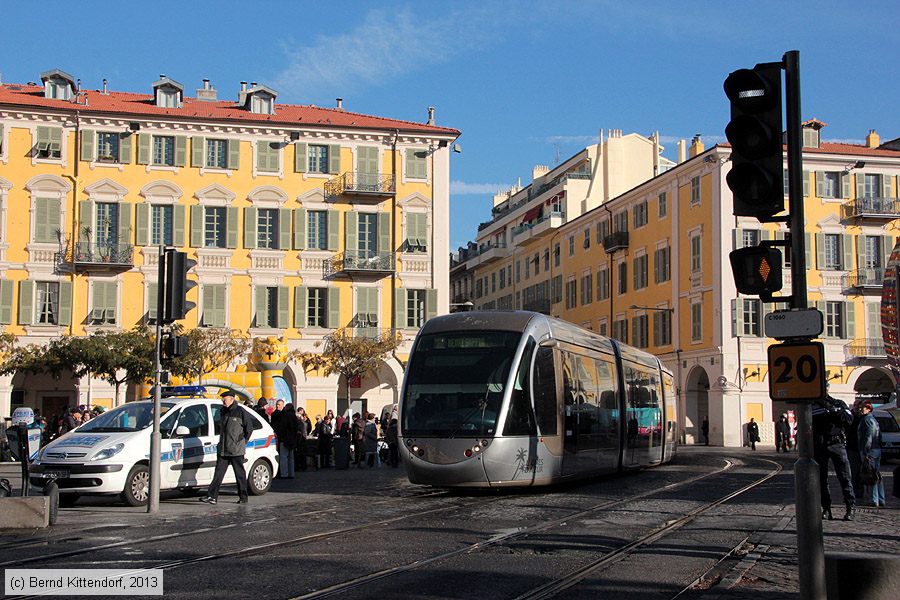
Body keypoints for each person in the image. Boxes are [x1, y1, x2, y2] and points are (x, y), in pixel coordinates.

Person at [201, 390, 255, 505]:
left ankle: (243, 497)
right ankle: (212, 496)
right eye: (222, 399)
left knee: (239, 474)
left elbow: (249, 428)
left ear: (232, 399)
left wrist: (242, 442)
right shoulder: (222, 411)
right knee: (218, 474)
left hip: (236, 449)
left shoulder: (240, 411)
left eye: (224, 399)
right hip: (223, 449)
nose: (223, 401)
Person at [812, 394, 855, 521]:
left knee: (845, 477)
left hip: (836, 443)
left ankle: (850, 507)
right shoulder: (812, 406)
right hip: (820, 445)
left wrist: (831, 409)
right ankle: (826, 508)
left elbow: (849, 420)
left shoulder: (838, 403)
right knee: (821, 479)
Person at [857, 401, 885, 507]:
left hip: (870, 450)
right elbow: (879, 436)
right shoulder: (874, 419)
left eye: (863, 407)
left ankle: (874, 499)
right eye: (860, 407)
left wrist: (865, 451)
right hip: (877, 449)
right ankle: (881, 498)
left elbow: (868, 436)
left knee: (871, 474)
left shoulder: (866, 419)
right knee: (877, 474)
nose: (860, 409)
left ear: (868, 409)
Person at [274, 402, 298, 479]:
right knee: (291, 458)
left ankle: (284, 474)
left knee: (284, 457)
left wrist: (280, 436)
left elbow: (282, 427)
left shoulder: (285, 416)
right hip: (292, 439)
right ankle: (291, 473)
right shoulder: (294, 416)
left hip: (285, 439)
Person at [295, 407, 311, 472]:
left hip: (300, 440)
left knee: (300, 454)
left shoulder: (300, 424)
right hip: (303, 439)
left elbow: (300, 432)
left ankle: (300, 467)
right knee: (302, 454)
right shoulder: (304, 423)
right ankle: (303, 467)